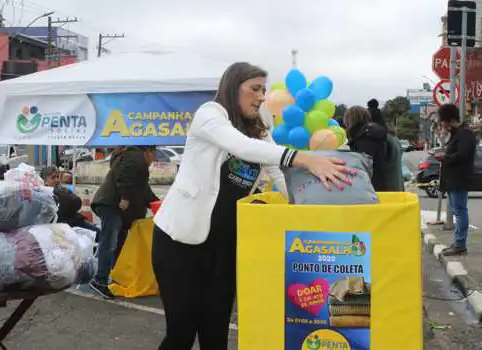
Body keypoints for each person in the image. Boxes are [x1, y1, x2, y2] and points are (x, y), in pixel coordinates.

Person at [152, 62, 355, 350]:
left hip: (223, 245)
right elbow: (241, 147)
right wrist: (305, 158)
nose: (261, 96)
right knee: (181, 333)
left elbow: (279, 176)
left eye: (264, 90)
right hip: (180, 241)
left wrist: (319, 210)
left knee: (216, 334)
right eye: (255, 89)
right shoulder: (210, 115)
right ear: (233, 87)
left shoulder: (259, 130)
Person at [91, 146, 159, 298]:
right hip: (110, 204)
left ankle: (115, 276)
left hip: (114, 207)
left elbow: (144, 190)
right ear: (148, 152)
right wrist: (125, 198)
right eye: (154, 155)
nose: (153, 160)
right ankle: (99, 280)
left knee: (119, 241)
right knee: (110, 242)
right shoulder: (135, 157)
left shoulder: (138, 163)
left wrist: (157, 204)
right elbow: (123, 176)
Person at [435, 104, 477, 256]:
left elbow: (462, 155)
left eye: (443, 121)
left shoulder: (465, 134)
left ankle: (460, 244)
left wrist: (444, 157)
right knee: (457, 210)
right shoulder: (456, 134)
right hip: (453, 179)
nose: (443, 125)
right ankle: (457, 243)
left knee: (460, 211)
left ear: (450, 119)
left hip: (460, 179)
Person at [40, 166, 101, 235]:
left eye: (57, 177)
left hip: (75, 221)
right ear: (44, 181)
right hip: (65, 226)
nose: (56, 180)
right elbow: (69, 205)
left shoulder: (62, 189)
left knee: (99, 233)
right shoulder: (44, 194)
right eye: (53, 178)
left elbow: (77, 202)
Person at [344, 106, 388, 191]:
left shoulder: (363, 138)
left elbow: (362, 166)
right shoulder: (373, 134)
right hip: (378, 184)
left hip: (368, 187)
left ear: (351, 120)